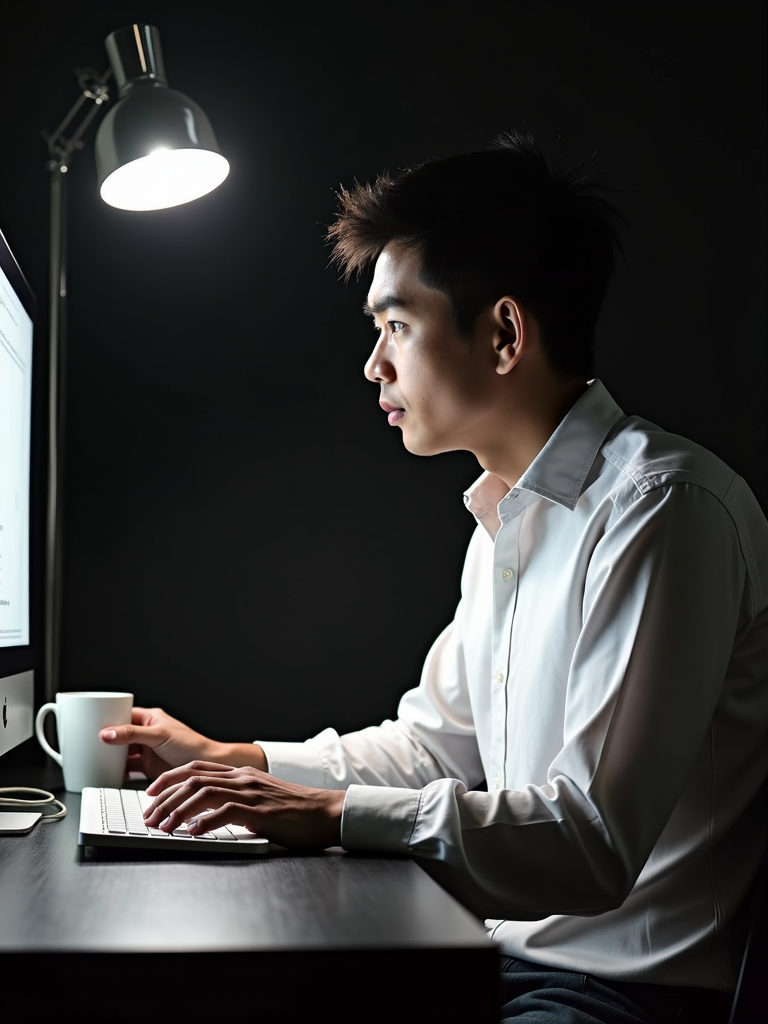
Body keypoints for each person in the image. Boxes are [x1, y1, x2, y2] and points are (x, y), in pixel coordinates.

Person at [101, 130, 768, 1024]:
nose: (373, 364)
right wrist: (238, 763)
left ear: (502, 334)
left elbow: (594, 841)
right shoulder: (508, 519)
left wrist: (329, 812)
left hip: (626, 999)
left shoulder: (662, 509)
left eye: (396, 326)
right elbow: (435, 749)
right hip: (503, 961)